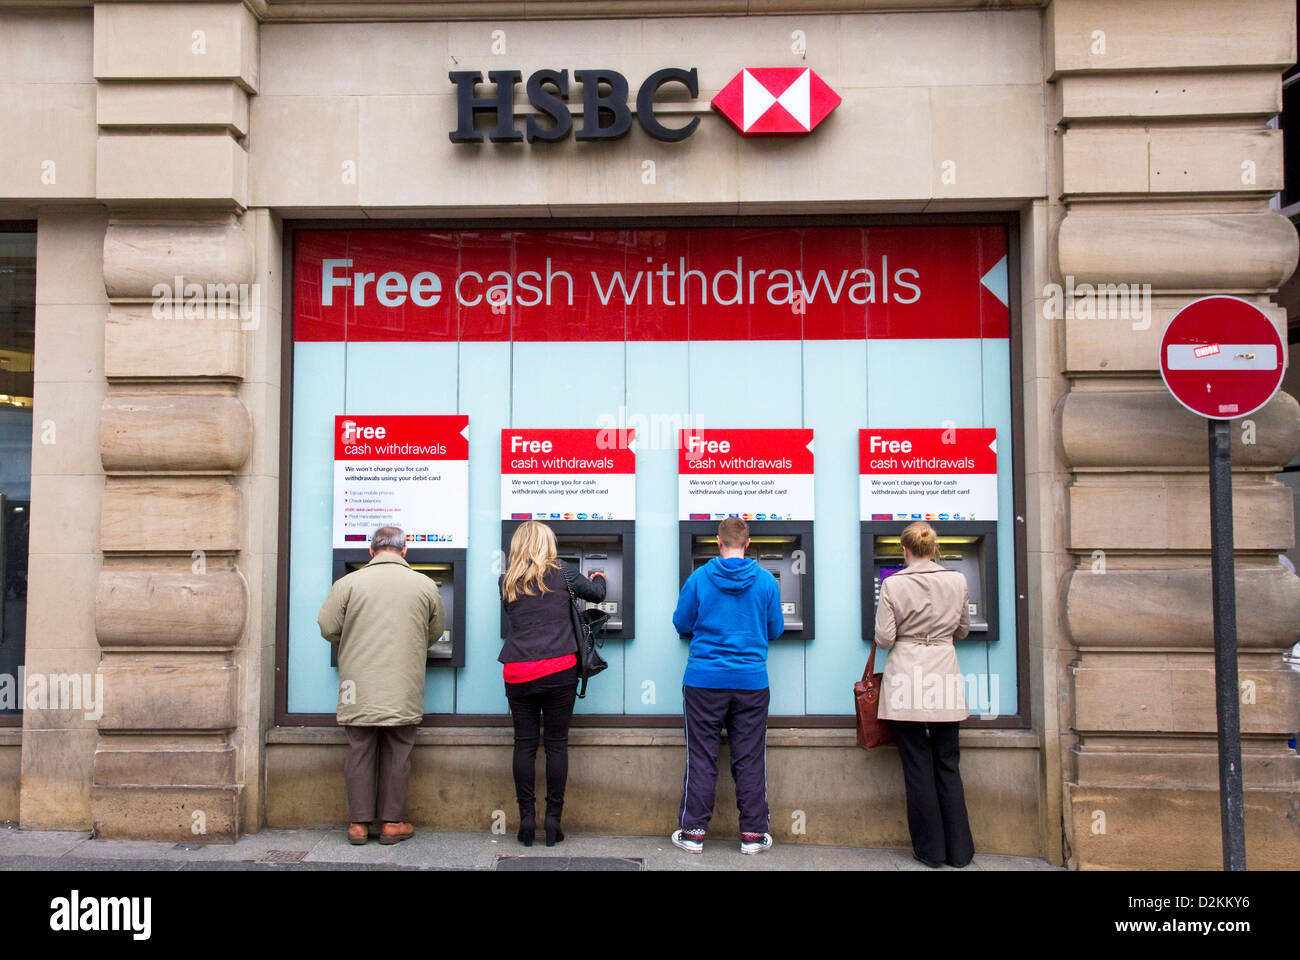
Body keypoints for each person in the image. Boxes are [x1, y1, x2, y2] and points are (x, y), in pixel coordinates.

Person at [317, 525, 445, 846]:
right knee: (398, 752)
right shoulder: (425, 585)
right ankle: (392, 823)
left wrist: (348, 639)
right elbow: (435, 631)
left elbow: (327, 626)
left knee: (359, 751)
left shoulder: (348, 583)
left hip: (357, 684)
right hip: (403, 682)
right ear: (404, 552)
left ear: (371, 552)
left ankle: (358, 826)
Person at [670, 517, 784, 855]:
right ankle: (752, 835)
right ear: (747, 544)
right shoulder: (766, 581)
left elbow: (681, 621)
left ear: (718, 542)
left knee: (701, 756)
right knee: (749, 757)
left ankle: (693, 833)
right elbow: (775, 628)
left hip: (704, 680)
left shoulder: (699, 578)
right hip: (751, 682)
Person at [874, 520, 975, 868]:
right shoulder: (958, 580)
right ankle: (960, 852)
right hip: (944, 675)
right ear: (933, 549)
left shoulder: (892, 584)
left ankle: (930, 851)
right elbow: (963, 629)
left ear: (905, 550)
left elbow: (885, 639)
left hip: (906, 678)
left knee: (917, 764)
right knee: (948, 762)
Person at [499, 520, 606, 847]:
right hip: (559, 669)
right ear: (549, 544)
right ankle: (553, 822)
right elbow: (599, 595)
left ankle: (526, 821)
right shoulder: (565, 573)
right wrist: (599, 576)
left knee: (525, 744)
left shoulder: (506, 581)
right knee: (557, 743)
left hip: (518, 671)